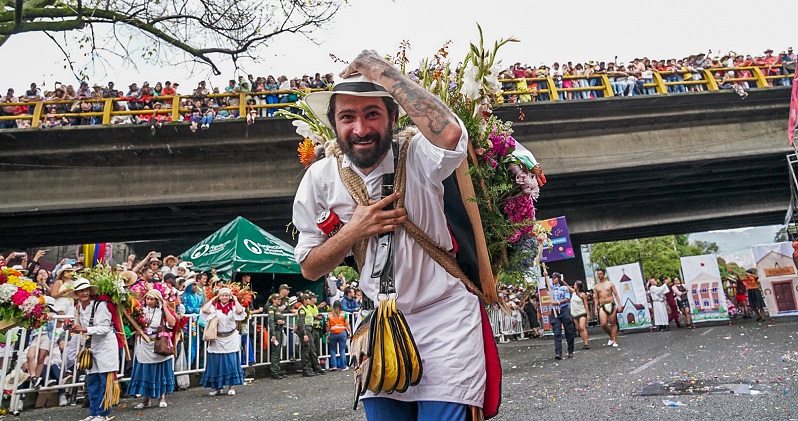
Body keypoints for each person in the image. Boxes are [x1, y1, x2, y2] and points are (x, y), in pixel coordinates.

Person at [294, 50, 485, 419]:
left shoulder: (420, 155)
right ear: (334, 124)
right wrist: (354, 230)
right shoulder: (318, 179)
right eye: (347, 117)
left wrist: (378, 69)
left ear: (394, 117)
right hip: (380, 326)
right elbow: (309, 268)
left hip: (446, 323)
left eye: (372, 114)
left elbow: (449, 132)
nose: (361, 129)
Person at [69, 278, 119, 421]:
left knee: (104, 380)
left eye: (86, 290)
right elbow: (79, 326)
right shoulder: (78, 307)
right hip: (91, 346)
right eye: (81, 291)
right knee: (92, 381)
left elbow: (105, 328)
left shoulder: (100, 305)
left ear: (90, 291)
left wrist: (85, 328)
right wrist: (76, 329)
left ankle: (103, 414)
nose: (84, 293)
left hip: (106, 346)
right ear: (77, 293)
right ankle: (93, 413)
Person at [127, 289, 177, 408]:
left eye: (152, 299)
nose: (149, 301)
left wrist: (165, 307)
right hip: (144, 345)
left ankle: (162, 397)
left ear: (157, 300)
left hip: (158, 344)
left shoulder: (162, 311)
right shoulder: (141, 311)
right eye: (147, 299)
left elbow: (172, 323)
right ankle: (146, 399)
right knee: (145, 372)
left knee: (160, 371)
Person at [199, 287, 246, 395]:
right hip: (217, 338)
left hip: (230, 337)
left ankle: (231, 386)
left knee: (230, 362)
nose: (224, 297)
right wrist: (213, 299)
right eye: (222, 295)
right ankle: (217, 387)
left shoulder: (233, 306)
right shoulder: (214, 307)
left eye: (226, 295)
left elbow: (239, 311)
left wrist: (235, 300)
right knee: (216, 362)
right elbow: (205, 310)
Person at [545, 272, 575, 359]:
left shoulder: (564, 288)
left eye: (555, 278)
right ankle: (558, 352)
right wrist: (546, 275)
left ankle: (570, 350)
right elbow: (546, 283)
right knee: (557, 332)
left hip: (564, 310)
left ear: (558, 278)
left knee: (569, 331)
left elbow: (567, 299)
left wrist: (557, 302)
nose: (553, 279)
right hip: (554, 312)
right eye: (552, 278)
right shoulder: (550, 288)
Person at [296, 293, 325, 377]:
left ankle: (312, 368)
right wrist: (304, 333)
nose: (310, 300)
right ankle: (305, 369)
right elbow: (301, 322)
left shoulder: (307, 308)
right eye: (308, 299)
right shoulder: (302, 309)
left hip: (309, 329)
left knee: (311, 349)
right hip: (305, 330)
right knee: (306, 350)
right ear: (305, 300)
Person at [593, 268, 620, 347]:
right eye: (598, 274)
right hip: (602, 305)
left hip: (611, 303)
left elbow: (616, 294)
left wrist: (619, 304)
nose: (599, 275)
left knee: (613, 322)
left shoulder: (610, 284)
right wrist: (595, 308)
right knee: (603, 323)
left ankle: (614, 341)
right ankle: (612, 336)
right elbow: (596, 298)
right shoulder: (596, 286)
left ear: (604, 274)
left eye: (600, 274)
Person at [326, 299, 351, 371]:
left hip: (333, 332)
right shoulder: (344, 314)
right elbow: (347, 324)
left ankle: (334, 366)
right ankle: (343, 366)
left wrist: (327, 333)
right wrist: (350, 332)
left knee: (332, 350)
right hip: (342, 332)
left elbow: (328, 325)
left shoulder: (329, 314)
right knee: (342, 349)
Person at [266, 293, 287, 379]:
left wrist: (282, 322)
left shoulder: (278, 310)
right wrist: (273, 334)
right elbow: (270, 322)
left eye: (280, 299)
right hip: (275, 331)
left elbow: (282, 319)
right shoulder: (271, 309)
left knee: (278, 351)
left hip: (280, 330)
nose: (279, 300)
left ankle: (278, 370)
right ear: (273, 300)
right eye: (277, 299)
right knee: (275, 352)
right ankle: (274, 371)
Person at [570, 280, 590, 349]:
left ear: (578, 286)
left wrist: (588, 314)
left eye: (575, 285)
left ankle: (586, 343)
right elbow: (568, 287)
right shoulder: (573, 293)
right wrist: (563, 281)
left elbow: (586, 305)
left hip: (582, 312)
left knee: (582, 327)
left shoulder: (583, 294)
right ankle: (584, 342)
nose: (574, 286)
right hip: (575, 313)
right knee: (579, 329)